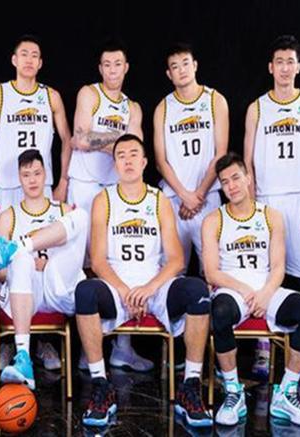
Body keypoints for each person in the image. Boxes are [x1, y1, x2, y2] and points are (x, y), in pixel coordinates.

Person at [74, 135, 212, 428]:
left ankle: (190, 385)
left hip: (154, 285)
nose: (127, 160)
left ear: (145, 162)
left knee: (197, 291)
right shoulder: (104, 200)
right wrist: (126, 292)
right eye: (121, 155)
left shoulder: (158, 200)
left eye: (134, 154)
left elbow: (176, 259)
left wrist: (149, 289)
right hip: (116, 286)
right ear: (115, 164)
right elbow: (97, 261)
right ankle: (100, 385)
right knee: (85, 292)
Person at [203, 152, 300, 427]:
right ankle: (233, 392)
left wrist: (266, 293)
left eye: (235, 178)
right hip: (233, 289)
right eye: (225, 182)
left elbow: (278, 266)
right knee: (220, 312)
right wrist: (245, 290)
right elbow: (211, 272)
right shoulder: (214, 220)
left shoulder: (271, 216)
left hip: (266, 287)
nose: (231, 186)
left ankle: (286, 393)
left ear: (248, 178)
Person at [67, 38, 150, 373]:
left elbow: (136, 146)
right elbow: (80, 138)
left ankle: (122, 347)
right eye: (107, 64)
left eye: (118, 64)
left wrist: (102, 142)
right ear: (100, 68)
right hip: (85, 185)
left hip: (118, 189)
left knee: (119, 260)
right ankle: (89, 349)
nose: (113, 70)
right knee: (85, 265)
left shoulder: (133, 107)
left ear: (126, 68)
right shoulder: (90, 94)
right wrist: (120, 143)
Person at [244, 35, 300, 379]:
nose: (285, 68)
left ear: (298, 67)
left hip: (299, 198)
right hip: (267, 200)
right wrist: (251, 207)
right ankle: (263, 350)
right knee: (265, 278)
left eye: (290, 61)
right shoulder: (257, 108)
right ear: (270, 67)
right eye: (280, 61)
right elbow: (247, 162)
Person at [0, 149, 88, 388]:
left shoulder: (63, 210)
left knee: (81, 216)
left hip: (58, 285)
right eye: (26, 175)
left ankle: (16, 248)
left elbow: (73, 258)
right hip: (25, 290)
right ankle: (23, 356)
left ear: (45, 174)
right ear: (19, 178)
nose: (32, 180)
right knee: (21, 260)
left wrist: (47, 266)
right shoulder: (8, 216)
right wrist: (30, 267)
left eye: (37, 173)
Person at [153, 42, 228, 273]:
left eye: (185, 63)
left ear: (195, 65)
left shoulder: (215, 100)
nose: (182, 70)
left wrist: (199, 195)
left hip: (208, 196)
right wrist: (185, 195)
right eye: (175, 66)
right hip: (175, 198)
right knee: (173, 270)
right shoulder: (163, 108)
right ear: (169, 74)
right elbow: (160, 161)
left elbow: (221, 154)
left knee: (213, 270)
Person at [0, 34, 73, 220]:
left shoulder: (51, 96)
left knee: (43, 237)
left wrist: (63, 180)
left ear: (40, 63)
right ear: (14, 60)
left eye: (34, 55)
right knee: (4, 237)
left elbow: (67, 139)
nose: (29, 60)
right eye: (24, 54)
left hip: (40, 183)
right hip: (6, 184)